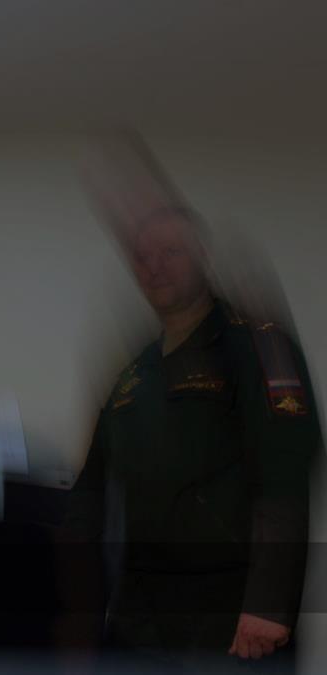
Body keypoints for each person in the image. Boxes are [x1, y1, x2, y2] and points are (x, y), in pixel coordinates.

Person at [61, 205, 320, 669]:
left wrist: (268, 604)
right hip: (141, 621)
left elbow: (284, 474)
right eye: (143, 256)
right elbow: (92, 490)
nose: (154, 266)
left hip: (232, 622)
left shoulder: (256, 346)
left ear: (201, 256)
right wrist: (75, 616)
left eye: (171, 251)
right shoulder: (134, 375)